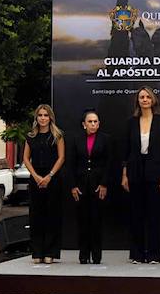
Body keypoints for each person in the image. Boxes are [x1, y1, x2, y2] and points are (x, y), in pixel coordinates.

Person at [121, 86, 160, 264]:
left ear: (153, 100)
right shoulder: (130, 122)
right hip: (135, 171)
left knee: (153, 214)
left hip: (155, 171)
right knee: (136, 214)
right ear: (137, 101)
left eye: (147, 97)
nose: (144, 100)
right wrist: (124, 174)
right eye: (141, 97)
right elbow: (125, 151)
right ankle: (136, 253)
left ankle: (153, 254)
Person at [66, 109, 114, 264]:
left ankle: (97, 254)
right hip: (81, 186)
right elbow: (71, 164)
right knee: (82, 221)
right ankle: (83, 253)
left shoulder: (105, 139)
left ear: (99, 124)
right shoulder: (76, 139)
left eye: (95, 122)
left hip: (98, 186)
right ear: (84, 124)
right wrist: (73, 185)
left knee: (96, 220)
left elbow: (109, 163)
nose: (93, 124)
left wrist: (104, 184)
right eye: (90, 122)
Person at [22, 104, 65, 264]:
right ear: (36, 118)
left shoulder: (57, 135)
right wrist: (36, 176)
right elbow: (26, 159)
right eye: (40, 115)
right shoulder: (30, 136)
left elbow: (61, 158)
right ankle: (37, 252)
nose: (43, 118)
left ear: (50, 118)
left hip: (53, 179)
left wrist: (49, 176)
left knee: (52, 215)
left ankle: (51, 252)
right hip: (35, 179)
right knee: (36, 216)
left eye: (46, 115)